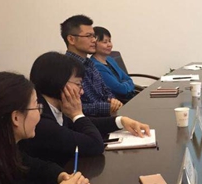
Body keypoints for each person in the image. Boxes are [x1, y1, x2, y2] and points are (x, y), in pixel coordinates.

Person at [20, 52, 151, 165]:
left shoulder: (53, 106)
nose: (81, 91)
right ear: (59, 83)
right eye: (78, 84)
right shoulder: (39, 119)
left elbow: (82, 123)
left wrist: (121, 121)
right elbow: (95, 145)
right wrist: (77, 114)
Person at [61, 14, 122, 116]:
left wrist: (112, 100)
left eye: (93, 36)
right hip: (90, 121)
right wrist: (107, 107)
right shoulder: (66, 68)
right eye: (88, 36)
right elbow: (74, 107)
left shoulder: (89, 63)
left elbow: (105, 90)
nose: (94, 40)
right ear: (71, 39)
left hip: (107, 115)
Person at [92, 26, 140, 103]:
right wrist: (127, 84)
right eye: (105, 42)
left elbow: (128, 79)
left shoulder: (110, 59)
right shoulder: (96, 66)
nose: (109, 45)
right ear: (94, 44)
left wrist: (125, 84)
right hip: (119, 102)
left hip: (130, 96)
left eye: (109, 41)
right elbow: (120, 89)